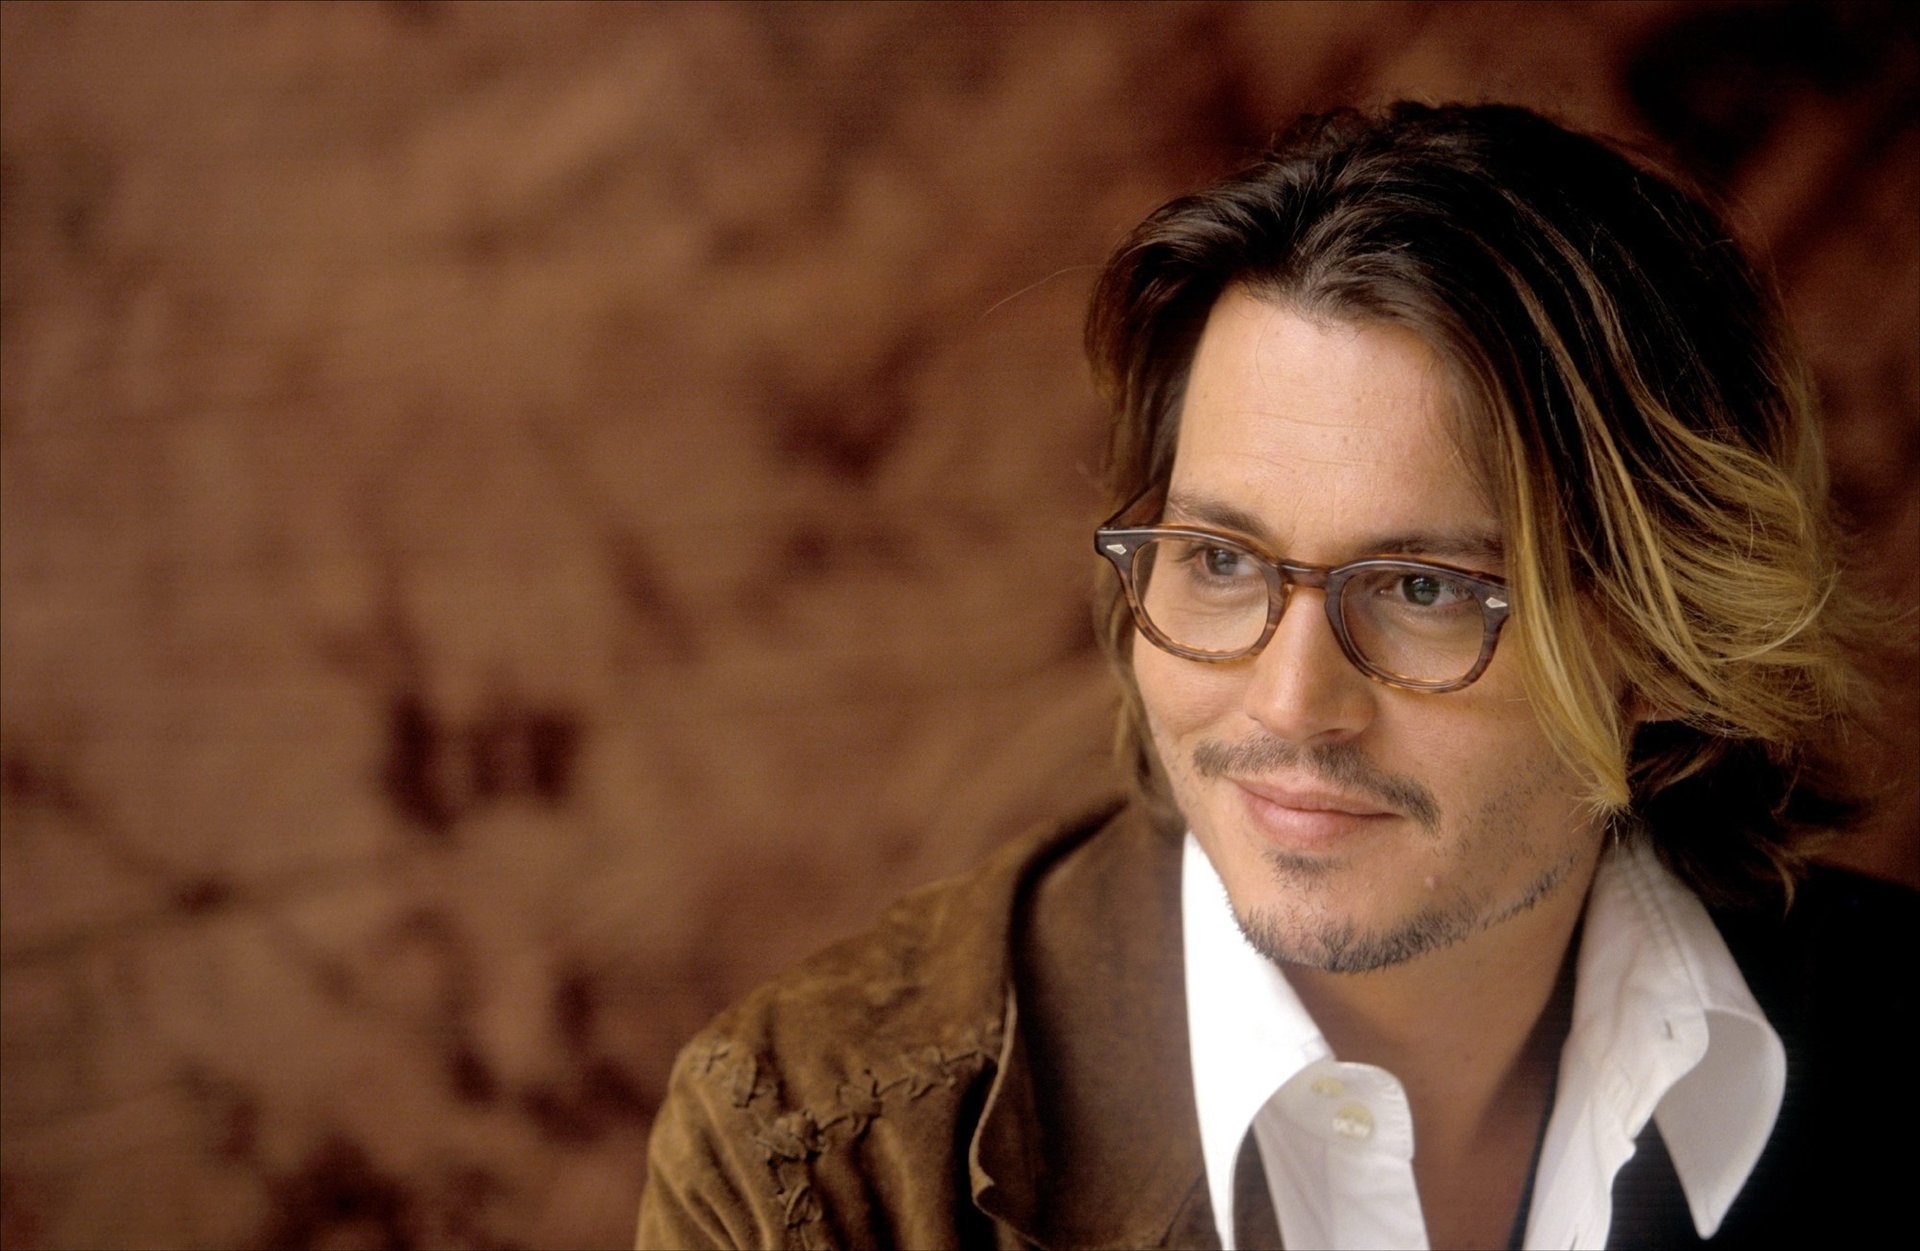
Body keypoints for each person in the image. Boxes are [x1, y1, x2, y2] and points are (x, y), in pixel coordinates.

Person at [635, 102, 1915, 1250]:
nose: (1293, 703)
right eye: (1220, 562)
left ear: (1670, 641)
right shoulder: (813, 1161)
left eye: (1423, 591)